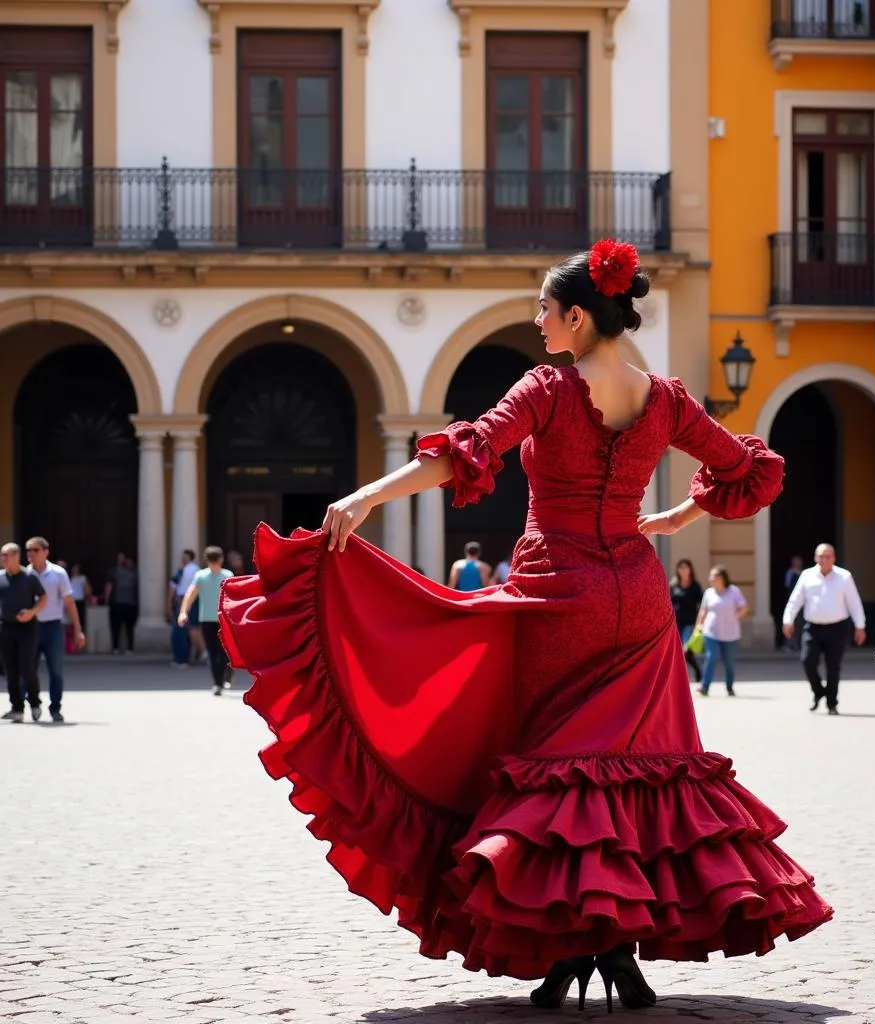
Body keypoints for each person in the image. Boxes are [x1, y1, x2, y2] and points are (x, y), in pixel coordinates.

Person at [220, 240, 831, 1010]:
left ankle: (580, 942)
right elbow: (751, 468)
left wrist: (369, 496)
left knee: (564, 768)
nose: (537, 320)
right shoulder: (666, 399)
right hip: (638, 602)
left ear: (579, 316)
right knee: (632, 769)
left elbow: (465, 452)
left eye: (545, 309)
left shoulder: (548, 388)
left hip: (559, 599)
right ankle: (609, 950)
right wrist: (676, 513)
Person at [782, 543, 867, 715]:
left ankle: (831, 703)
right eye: (821, 556)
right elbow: (795, 600)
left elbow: (854, 602)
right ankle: (819, 691)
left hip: (838, 628)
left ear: (834, 558)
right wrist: (788, 620)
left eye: (828, 556)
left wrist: (860, 626)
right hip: (813, 627)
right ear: (815, 558)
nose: (824, 560)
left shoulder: (844, 576)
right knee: (807, 660)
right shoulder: (807, 575)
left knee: (833, 667)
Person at [26, 537, 85, 723]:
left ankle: (55, 708)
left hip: (53, 627)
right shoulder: (25, 574)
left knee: (55, 670)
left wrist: (78, 630)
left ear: (45, 552)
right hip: (31, 628)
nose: (31, 554)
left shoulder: (58, 574)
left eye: (35, 550)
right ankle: (33, 703)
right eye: (28, 550)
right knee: (28, 669)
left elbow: (69, 603)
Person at [1, 542, 47, 723]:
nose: (3, 558)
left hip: (27, 628)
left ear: (17, 556)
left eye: (7, 555)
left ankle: (35, 702)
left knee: (26, 667)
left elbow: (43, 598)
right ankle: (17, 708)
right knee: (10, 670)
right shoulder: (0, 578)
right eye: (2, 555)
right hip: (6, 627)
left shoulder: (29, 578)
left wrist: (32, 612)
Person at [178, 546, 234, 696]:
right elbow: (191, 593)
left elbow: (189, 594)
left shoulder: (227, 575)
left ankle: (220, 680)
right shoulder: (202, 576)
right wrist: (183, 612)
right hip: (210, 619)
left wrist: (183, 612)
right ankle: (218, 682)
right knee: (214, 651)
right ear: (221, 559)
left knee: (221, 652)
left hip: (221, 620)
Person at [694, 565, 747, 697]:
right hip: (711, 632)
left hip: (730, 634)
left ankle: (729, 687)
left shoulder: (734, 591)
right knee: (710, 657)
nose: (711, 578)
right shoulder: (708, 593)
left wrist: (736, 617)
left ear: (722, 577)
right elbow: (703, 610)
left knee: (729, 662)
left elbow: (744, 607)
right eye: (711, 576)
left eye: (714, 576)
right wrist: (698, 626)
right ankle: (704, 686)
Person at [669, 558, 703, 682]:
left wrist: (700, 622)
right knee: (677, 653)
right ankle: (681, 677)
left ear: (690, 570)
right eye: (681, 567)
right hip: (675, 623)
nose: (683, 570)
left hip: (689, 623)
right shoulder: (673, 585)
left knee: (685, 651)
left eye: (685, 567)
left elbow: (702, 604)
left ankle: (689, 674)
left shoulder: (695, 586)